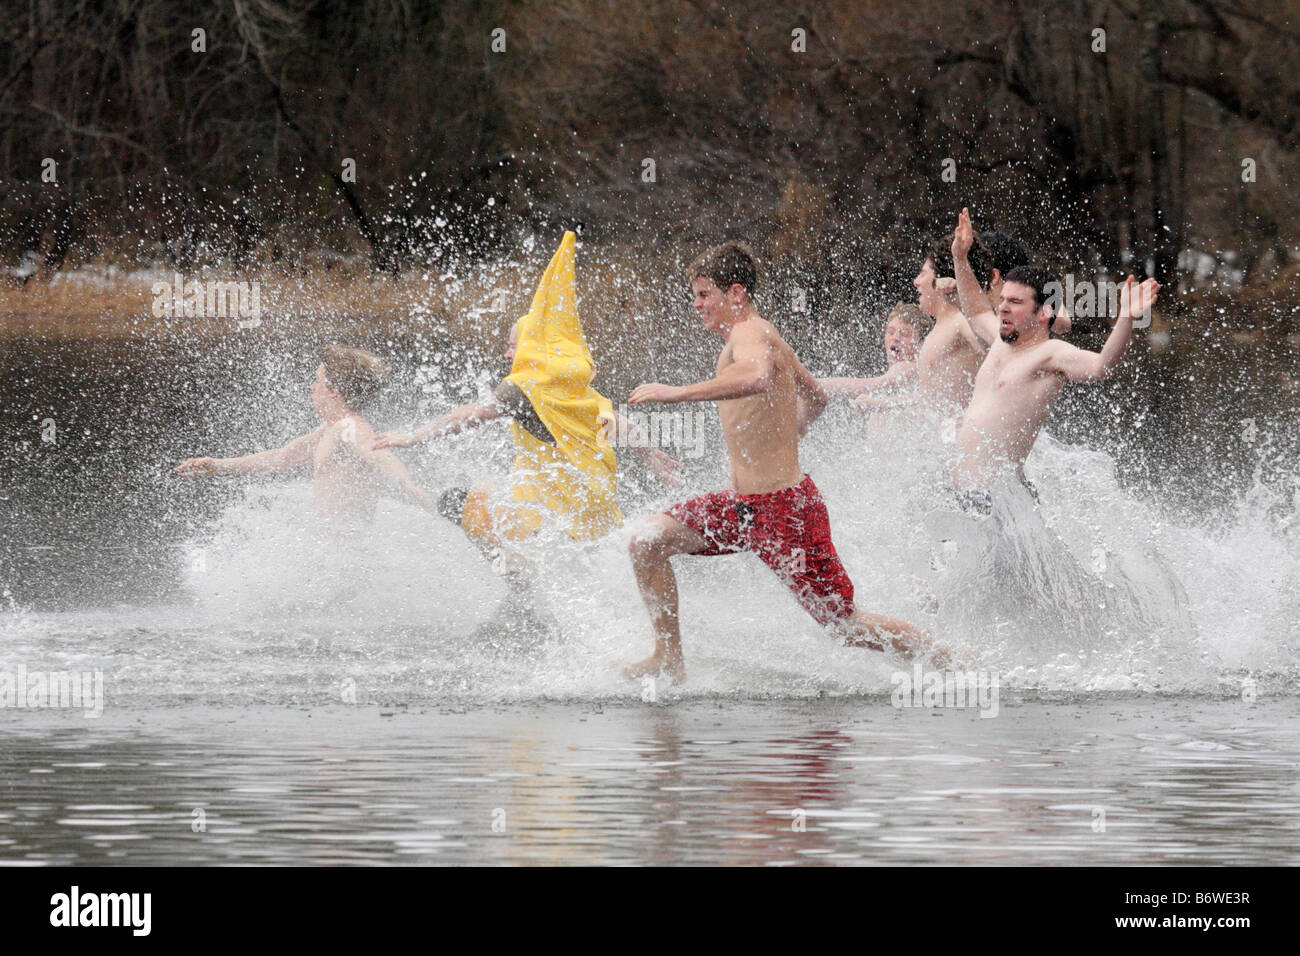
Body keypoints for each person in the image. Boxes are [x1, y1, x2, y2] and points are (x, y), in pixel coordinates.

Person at [622, 242, 947, 683]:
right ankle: (668, 658)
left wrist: (676, 393)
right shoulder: (766, 335)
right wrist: (794, 425)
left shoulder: (749, 332)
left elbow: (755, 376)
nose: (696, 305)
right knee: (647, 542)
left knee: (844, 625)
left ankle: (949, 658)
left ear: (735, 293)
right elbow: (815, 395)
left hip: (785, 510)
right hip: (743, 507)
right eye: (695, 295)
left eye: (703, 294)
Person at [375, 231, 681, 553]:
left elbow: (470, 415)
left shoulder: (523, 388)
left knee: (456, 502)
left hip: (554, 512)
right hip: (590, 505)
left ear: (534, 348)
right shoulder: (572, 390)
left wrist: (413, 436)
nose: (508, 356)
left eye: (513, 347)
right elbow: (620, 425)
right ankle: (524, 586)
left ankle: (519, 591)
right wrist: (651, 456)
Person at [949, 207, 1160, 509]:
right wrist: (960, 257)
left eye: (1015, 302)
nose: (1004, 308)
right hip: (967, 493)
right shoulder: (999, 338)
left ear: (1044, 313)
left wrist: (1126, 317)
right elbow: (976, 309)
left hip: (997, 500)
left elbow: (1102, 367)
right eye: (1004, 300)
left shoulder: (1050, 355)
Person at [175, 346, 437, 528]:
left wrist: (415, 492)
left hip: (345, 558)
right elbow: (281, 458)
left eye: (317, 381)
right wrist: (217, 466)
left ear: (334, 391)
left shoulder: (350, 427)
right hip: (331, 555)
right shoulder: (331, 429)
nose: (311, 387)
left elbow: (380, 456)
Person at [817, 303, 926, 409]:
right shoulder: (899, 390)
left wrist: (811, 384)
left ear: (921, 343)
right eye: (891, 332)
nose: (895, 338)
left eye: (904, 334)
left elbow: (865, 386)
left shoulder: (909, 369)